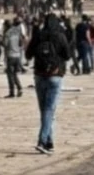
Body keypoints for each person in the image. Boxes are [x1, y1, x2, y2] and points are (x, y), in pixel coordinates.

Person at [25, 14, 71, 155]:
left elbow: (28, 54)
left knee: (45, 110)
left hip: (39, 75)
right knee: (49, 110)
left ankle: (49, 141)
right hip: (55, 75)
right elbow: (68, 55)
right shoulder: (60, 35)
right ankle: (42, 141)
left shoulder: (38, 35)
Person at [2, 19, 24, 98]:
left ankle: (12, 92)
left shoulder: (7, 33)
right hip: (17, 55)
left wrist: (0, 41)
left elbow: (5, 44)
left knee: (10, 75)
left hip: (10, 56)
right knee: (15, 74)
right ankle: (19, 88)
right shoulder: (17, 31)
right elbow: (21, 43)